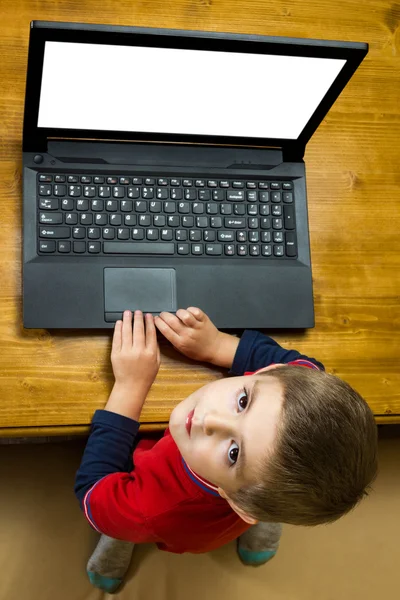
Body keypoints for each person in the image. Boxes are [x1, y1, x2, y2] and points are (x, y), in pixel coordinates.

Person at [74, 308, 378, 593]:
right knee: (274, 478)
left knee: (126, 520)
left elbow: (94, 496)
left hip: (170, 521)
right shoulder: (289, 393)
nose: (210, 419)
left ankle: (123, 538)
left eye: (234, 453)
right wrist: (217, 344)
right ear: (272, 370)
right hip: (246, 501)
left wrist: (130, 386)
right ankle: (263, 516)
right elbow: (307, 367)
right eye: (243, 401)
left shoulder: (157, 506)